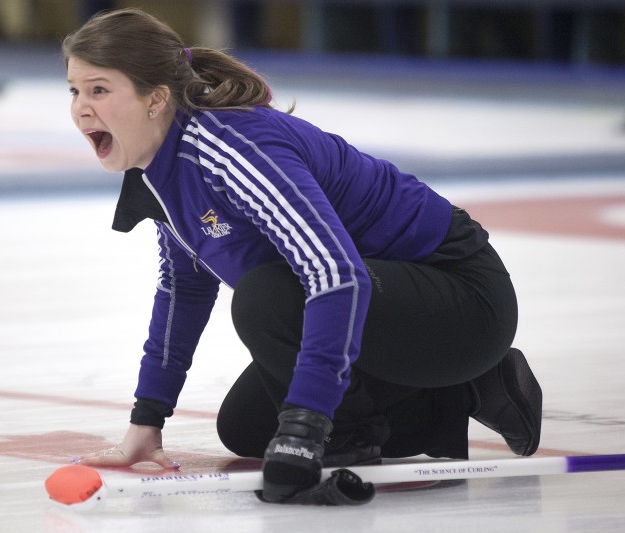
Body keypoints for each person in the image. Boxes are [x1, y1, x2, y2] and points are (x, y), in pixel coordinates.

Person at [63, 8, 543, 505]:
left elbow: (337, 275)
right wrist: (147, 419)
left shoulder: (232, 145)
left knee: (266, 297)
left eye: (99, 90)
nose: (81, 109)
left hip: (462, 301)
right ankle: (467, 392)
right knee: (247, 427)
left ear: (156, 98)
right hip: (389, 311)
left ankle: (351, 440)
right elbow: (184, 289)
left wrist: (308, 429)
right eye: (75, 90)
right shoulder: (162, 172)